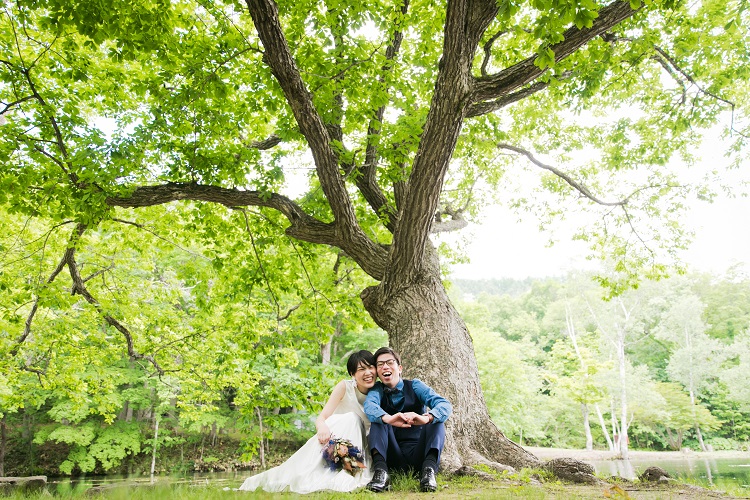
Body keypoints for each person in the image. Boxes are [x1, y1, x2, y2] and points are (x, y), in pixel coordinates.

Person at [239, 350, 376, 493]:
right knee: (352, 418)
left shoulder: (381, 392)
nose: (368, 372)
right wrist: (322, 428)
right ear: (353, 374)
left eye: (370, 367)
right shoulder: (344, 387)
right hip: (335, 440)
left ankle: (351, 469)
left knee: (356, 421)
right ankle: (349, 469)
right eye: (362, 369)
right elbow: (322, 417)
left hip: (362, 445)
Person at [363, 347, 452, 493]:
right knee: (378, 421)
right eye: (380, 364)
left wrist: (425, 418)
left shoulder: (415, 385)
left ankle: (429, 472)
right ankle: (380, 473)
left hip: (419, 453)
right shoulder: (377, 390)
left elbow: (444, 404)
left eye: (389, 362)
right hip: (392, 454)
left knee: (436, 420)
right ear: (378, 373)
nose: (385, 366)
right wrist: (389, 418)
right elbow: (369, 406)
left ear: (399, 368)